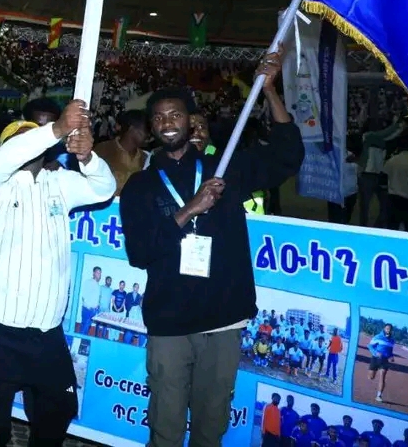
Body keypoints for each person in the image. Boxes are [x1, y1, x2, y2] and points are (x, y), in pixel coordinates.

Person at [119, 50, 303, 447]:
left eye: (176, 115)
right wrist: (190, 210)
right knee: (165, 431)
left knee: (210, 429)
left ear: (192, 121)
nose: (168, 124)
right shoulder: (140, 187)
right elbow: (140, 253)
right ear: (151, 128)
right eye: (159, 118)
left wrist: (270, 91)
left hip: (223, 321)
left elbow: (288, 157)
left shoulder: (226, 170)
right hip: (169, 324)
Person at [0, 100, 118, 447]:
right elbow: (8, 157)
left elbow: (104, 188)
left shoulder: (61, 184)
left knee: (58, 409)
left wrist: (87, 159)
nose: (31, 143)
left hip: (46, 333)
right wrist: (54, 129)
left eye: (37, 138)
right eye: (22, 137)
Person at [93, 109, 149, 194]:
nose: (148, 136)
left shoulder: (146, 158)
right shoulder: (103, 150)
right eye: (145, 131)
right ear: (131, 129)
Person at [367, 323, 395, 403]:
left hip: (385, 360)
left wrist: (391, 356)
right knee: (371, 377)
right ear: (384, 329)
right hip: (375, 359)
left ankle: (379, 396)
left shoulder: (392, 340)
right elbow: (369, 346)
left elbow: (390, 351)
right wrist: (376, 353)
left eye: (390, 329)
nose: (388, 330)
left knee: (382, 376)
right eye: (387, 328)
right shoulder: (378, 337)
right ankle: (371, 375)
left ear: (391, 330)